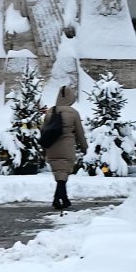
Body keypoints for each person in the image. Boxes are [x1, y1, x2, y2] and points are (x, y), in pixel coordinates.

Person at [42, 83, 88, 212]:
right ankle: (57, 199)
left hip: (52, 146)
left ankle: (64, 199)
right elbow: (80, 133)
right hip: (66, 147)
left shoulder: (51, 111)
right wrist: (84, 147)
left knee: (59, 174)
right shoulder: (73, 113)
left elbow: (43, 130)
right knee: (63, 175)